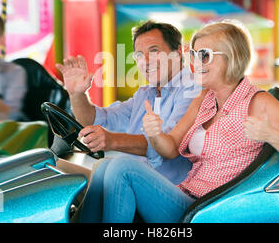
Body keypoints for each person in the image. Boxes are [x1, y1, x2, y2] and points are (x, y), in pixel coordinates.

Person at [78, 20, 279, 223]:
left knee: (122, 167)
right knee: (105, 167)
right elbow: (169, 148)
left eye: (205, 55)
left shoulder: (259, 103)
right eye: (194, 55)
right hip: (187, 198)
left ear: (232, 57)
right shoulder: (204, 98)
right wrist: (155, 134)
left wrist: (271, 135)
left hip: (211, 209)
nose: (195, 63)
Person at [55, 21, 200, 186]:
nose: (145, 60)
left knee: (114, 169)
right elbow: (96, 120)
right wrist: (77, 94)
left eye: (154, 51)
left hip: (170, 189)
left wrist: (112, 140)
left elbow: (167, 145)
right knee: (61, 170)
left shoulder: (192, 88)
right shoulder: (146, 93)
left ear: (178, 53)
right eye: (139, 55)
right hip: (135, 184)